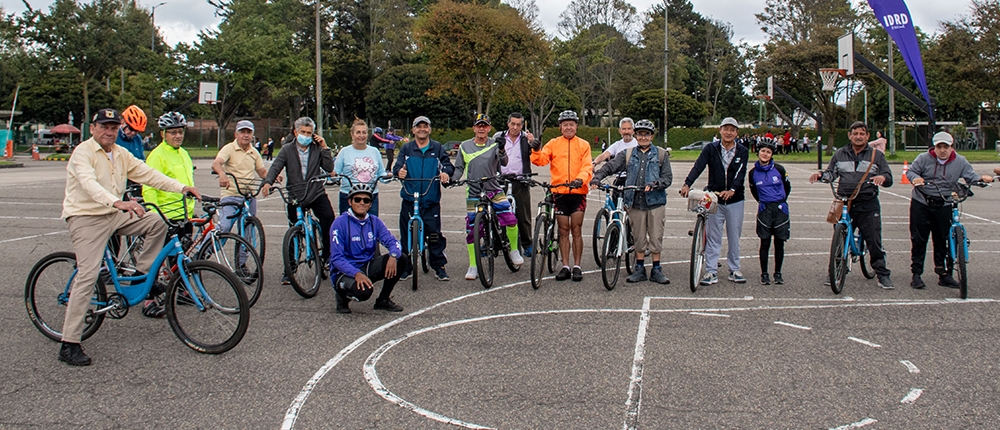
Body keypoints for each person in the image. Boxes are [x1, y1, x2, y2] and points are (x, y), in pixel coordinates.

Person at [58, 108, 200, 366]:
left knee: (156, 222)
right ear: (93, 128)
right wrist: (117, 202)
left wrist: (181, 187)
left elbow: (149, 175)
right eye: (104, 126)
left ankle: (142, 277)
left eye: (113, 127)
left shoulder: (121, 154)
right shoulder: (83, 153)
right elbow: (90, 185)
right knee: (88, 275)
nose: (109, 131)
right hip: (86, 217)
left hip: (113, 213)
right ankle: (69, 343)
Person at [809, 121, 894, 289]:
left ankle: (882, 274)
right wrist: (821, 176)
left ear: (868, 136)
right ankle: (836, 270)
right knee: (839, 238)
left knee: (874, 239)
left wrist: (882, 178)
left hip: (867, 202)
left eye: (862, 134)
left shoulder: (876, 155)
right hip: (845, 201)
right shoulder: (840, 154)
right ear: (849, 135)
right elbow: (831, 173)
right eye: (855, 133)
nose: (858, 137)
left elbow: (888, 176)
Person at [906, 131, 992, 289]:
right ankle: (916, 274)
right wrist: (915, 178)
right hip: (922, 202)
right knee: (919, 239)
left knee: (943, 240)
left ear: (952, 147)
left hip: (944, 203)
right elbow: (911, 171)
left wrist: (981, 179)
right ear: (934, 147)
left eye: (946, 146)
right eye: (940, 146)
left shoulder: (960, 161)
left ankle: (944, 274)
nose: (943, 150)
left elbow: (970, 176)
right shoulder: (923, 158)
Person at [591, 119, 672, 284]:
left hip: (655, 202)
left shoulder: (661, 154)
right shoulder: (628, 154)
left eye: (647, 134)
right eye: (640, 134)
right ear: (636, 135)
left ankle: (656, 269)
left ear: (651, 136)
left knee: (656, 236)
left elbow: (667, 178)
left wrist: (656, 184)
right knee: (638, 237)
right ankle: (639, 268)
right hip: (635, 201)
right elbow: (610, 166)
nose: (643, 137)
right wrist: (597, 177)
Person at [262, 117, 335, 285]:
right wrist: (268, 182)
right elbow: (276, 166)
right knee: (293, 230)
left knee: (328, 217)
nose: (306, 135)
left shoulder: (317, 148)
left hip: (315, 192)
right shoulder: (287, 149)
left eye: (309, 133)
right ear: (295, 132)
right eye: (303, 132)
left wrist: (324, 147)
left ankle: (326, 257)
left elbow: (329, 168)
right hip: (295, 194)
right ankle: (290, 269)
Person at [679, 117, 749, 285]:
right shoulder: (711, 148)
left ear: (736, 133)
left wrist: (732, 190)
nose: (728, 132)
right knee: (713, 237)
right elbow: (699, 165)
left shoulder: (742, 150)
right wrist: (687, 183)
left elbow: (741, 173)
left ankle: (734, 269)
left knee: (734, 236)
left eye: (732, 130)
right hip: (715, 198)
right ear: (720, 130)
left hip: (735, 200)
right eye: (726, 129)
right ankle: (711, 271)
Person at [454, 114, 522, 280]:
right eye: (479, 126)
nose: (482, 129)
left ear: (489, 128)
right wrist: (452, 179)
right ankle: (473, 265)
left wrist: (501, 149)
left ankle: (513, 250)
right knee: (472, 230)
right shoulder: (465, 146)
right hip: (474, 193)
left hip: (494, 189)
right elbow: (458, 168)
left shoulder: (494, 143)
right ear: (474, 128)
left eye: (485, 126)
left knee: (510, 219)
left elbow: (504, 162)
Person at [530, 110, 593, 282]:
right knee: (563, 231)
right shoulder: (553, 143)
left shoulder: (584, 145)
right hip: (559, 192)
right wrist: (536, 149)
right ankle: (565, 266)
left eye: (571, 124)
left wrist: (580, 179)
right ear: (560, 127)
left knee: (576, 229)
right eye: (565, 124)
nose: (568, 127)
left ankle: (577, 266)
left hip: (578, 193)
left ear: (576, 126)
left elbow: (587, 166)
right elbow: (541, 160)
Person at [329, 183, 408, 314]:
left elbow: (393, 242)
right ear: (350, 202)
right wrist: (356, 274)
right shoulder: (339, 223)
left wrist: (393, 255)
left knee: (402, 258)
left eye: (366, 200)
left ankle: (383, 300)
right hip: (343, 272)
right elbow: (336, 258)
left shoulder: (374, 221)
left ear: (370, 204)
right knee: (364, 293)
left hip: (366, 266)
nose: (362, 203)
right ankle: (342, 296)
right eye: (357, 199)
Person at [392, 115, 454, 281]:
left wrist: (445, 173)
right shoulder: (406, 149)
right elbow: (397, 167)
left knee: (434, 234)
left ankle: (438, 265)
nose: (422, 129)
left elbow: (447, 165)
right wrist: (399, 172)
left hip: (430, 198)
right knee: (406, 234)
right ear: (413, 130)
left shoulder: (437, 148)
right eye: (418, 126)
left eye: (425, 126)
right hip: (410, 198)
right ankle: (406, 266)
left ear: (430, 129)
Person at [211, 120, 271, 235]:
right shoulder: (229, 148)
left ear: (252, 135)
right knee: (224, 228)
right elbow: (216, 163)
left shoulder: (254, 152)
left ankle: (244, 253)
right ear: (236, 134)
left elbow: (262, 171)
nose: (245, 135)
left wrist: (272, 177)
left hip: (248, 197)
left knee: (247, 230)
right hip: (231, 195)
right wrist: (222, 175)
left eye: (248, 132)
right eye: (242, 132)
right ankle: (205, 250)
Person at [492, 112, 537, 257]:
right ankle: (496, 243)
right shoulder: (498, 137)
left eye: (518, 124)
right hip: (501, 179)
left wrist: (534, 143)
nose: (515, 127)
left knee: (523, 214)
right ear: (508, 124)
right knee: (498, 212)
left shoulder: (526, 138)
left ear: (522, 126)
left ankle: (527, 244)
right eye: (513, 124)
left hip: (520, 179)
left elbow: (537, 151)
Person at [747, 138, 791, 285]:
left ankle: (778, 273)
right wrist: (763, 202)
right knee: (764, 242)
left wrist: (780, 201)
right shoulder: (753, 173)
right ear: (758, 152)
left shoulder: (779, 169)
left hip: (780, 209)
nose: (765, 154)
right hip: (765, 209)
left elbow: (787, 188)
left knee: (779, 243)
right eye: (763, 151)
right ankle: (764, 273)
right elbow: (754, 190)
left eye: (768, 152)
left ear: (772, 154)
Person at [143, 112, 195, 221]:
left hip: (186, 213)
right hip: (167, 215)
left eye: (181, 132)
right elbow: (149, 188)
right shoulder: (157, 156)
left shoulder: (184, 153)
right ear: (163, 134)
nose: (178, 136)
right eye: (173, 133)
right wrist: (155, 214)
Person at [334, 118, 388, 216]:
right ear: (352, 134)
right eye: (358, 132)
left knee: (371, 226)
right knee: (347, 227)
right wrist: (333, 175)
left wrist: (389, 176)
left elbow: (381, 173)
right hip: (348, 195)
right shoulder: (344, 152)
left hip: (370, 195)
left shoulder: (374, 151)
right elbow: (335, 174)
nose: (361, 135)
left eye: (364, 132)